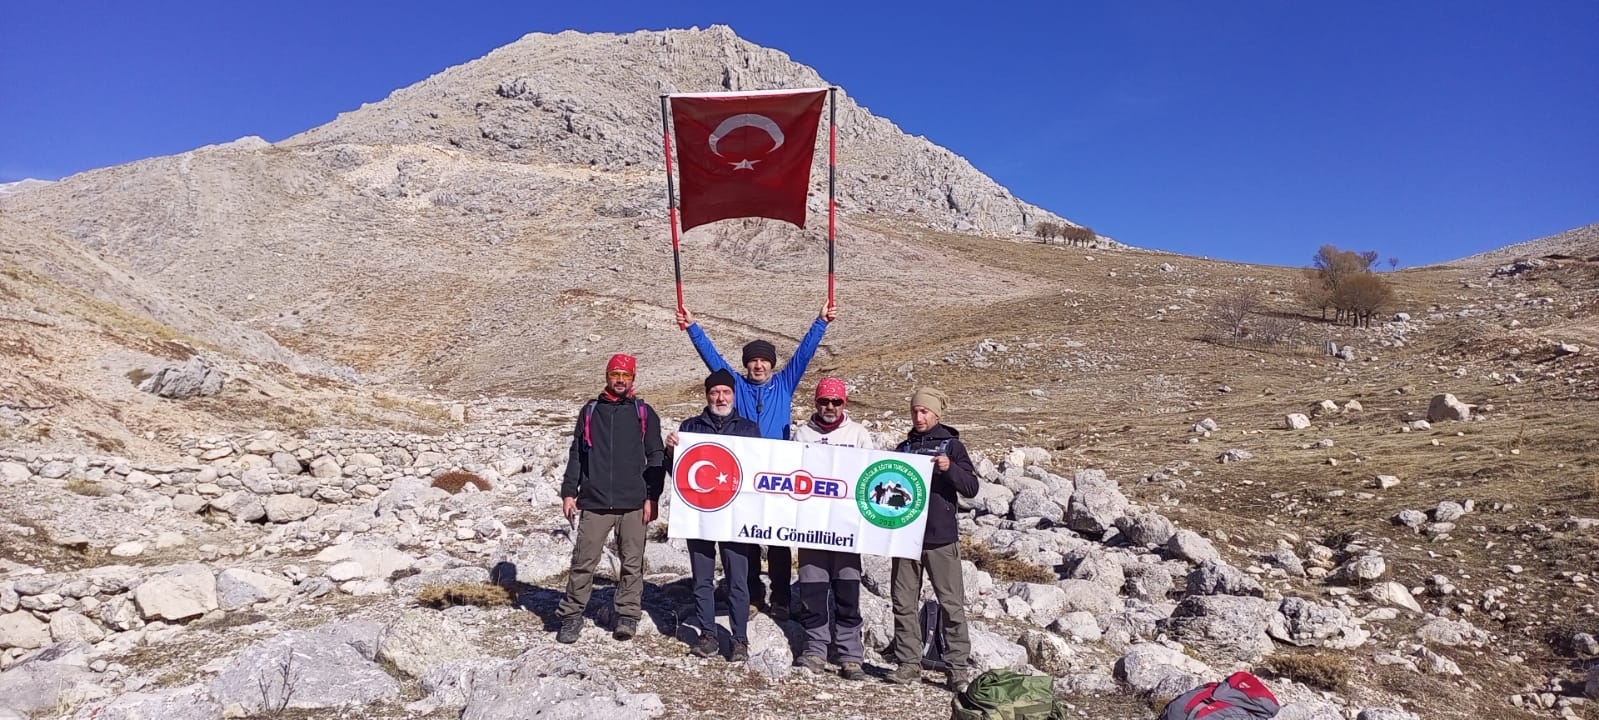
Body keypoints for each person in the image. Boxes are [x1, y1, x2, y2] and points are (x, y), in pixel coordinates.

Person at [676, 300, 836, 620]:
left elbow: (803, 354)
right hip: (744, 474)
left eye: (764, 361)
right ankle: (751, 594)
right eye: (753, 361)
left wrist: (821, 322)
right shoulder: (736, 386)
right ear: (746, 365)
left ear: (772, 365)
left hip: (777, 474)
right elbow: (713, 359)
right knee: (746, 538)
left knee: (778, 540)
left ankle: (781, 597)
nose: (758, 366)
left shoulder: (785, 383)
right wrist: (693, 328)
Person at [554, 353, 665, 644]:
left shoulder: (644, 413)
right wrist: (569, 492)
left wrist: (652, 496)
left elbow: (656, 456)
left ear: (633, 379)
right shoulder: (590, 411)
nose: (620, 380)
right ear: (607, 376)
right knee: (583, 561)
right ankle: (571, 615)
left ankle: (627, 615)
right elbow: (577, 454)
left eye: (626, 375)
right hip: (594, 501)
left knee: (632, 563)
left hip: (634, 503)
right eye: (615, 374)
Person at [887, 387, 979, 691]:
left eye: (924, 411)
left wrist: (950, 469)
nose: (918, 416)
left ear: (936, 414)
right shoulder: (903, 448)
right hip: (905, 537)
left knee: (951, 604)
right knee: (903, 602)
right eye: (915, 411)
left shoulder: (953, 447)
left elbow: (971, 488)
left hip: (941, 538)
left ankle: (957, 669)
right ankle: (908, 664)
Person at [668, 368, 763, 661]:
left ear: (733, 395)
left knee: (738, 580)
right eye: (714, 392)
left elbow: (758, 472)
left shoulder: (749, 429)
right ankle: (708, 634)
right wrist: (671, 451)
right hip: (699, 514)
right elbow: (678, 475)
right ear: (707, 395)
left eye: (725, 392)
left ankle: (739, 638)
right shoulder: (690, 428)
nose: (720, 398)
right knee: (702, 578)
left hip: (735, 517)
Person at [790, 378, 875, 680]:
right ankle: (815, 649)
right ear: (815, 403)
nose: (830, 407)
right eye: (824, 401)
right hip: (812, 528)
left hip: (847, 529)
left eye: (836, 402)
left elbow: (871, 477)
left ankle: (850, 655)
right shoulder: (802, 434)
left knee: (847, 590)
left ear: (844, 404)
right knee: (812, 591)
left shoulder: (859, 434)